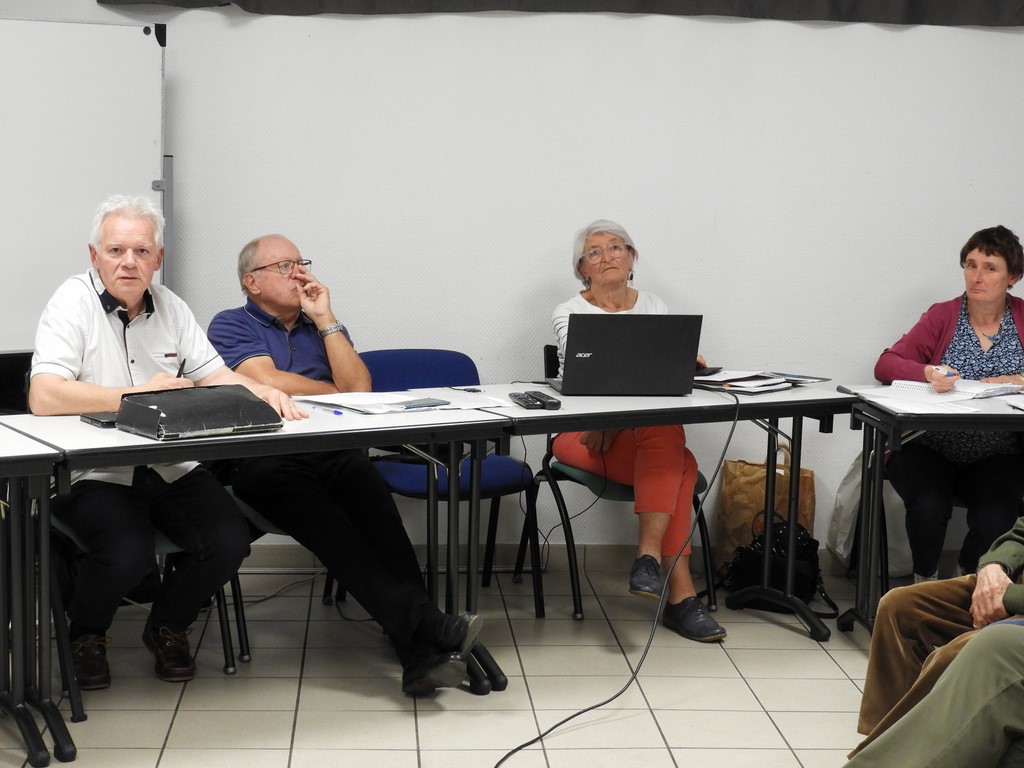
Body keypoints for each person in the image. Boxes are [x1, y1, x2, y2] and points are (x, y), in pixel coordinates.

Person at [30, 195, 305, 690]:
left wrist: (261, 390)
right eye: (116, 250)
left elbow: (213, 374)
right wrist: (134, 395)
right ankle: (86, 634)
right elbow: (44, 395)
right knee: (127, 553)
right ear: (95, 256)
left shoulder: (171, 306)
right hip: (96, 470)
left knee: (229, 541)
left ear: (157, 257)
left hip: (168, 463)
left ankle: (167, 625)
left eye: (141, 251)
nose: (128, 262)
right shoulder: (71, 302)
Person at [206, 234, 482, 696]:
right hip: (265, 458)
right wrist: (335, 392)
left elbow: (361, 389)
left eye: (301, 262)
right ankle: (431, 624)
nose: (299, 273)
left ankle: (420, 654)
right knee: (337, 532)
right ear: (251, 282)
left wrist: (325, 318)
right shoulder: (231, 323)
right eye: (284, 265)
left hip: (334, 450)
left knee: (381, 520)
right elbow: (267, 380)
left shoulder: (323, 327)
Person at [550, 219, 725, 643]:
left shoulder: (654, 305)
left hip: (634, 434)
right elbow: (591, 375)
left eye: (617, 247)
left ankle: (652, 564)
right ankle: (678, 595)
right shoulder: (569, 312)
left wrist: (681, 364)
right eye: (594, 252)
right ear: (582, 269)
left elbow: (657, 384)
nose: (607, 256)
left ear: (632, 258)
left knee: (664, 434)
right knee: (681, 464)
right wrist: (611, 419)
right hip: (581, 434)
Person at [875, 225, 1024, 582]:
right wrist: (926, 372)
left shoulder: (1021, 318)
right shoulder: (943, 315)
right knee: (929, 506)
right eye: (971, 265)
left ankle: (965, 579)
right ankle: (923, 584)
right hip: (928, 446)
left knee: (996, 516)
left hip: (998, 453)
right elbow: (885, 364)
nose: (976, 277)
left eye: (990, 268)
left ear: (1013, 278)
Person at [847, 514, 1024, 766]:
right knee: (899, 607)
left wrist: (1006, 597)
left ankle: (895, 757)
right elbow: (1020, 533)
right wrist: (995, 566)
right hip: (1013, 583)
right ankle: (879, 742)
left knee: (953, 654)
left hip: (1014, 598)